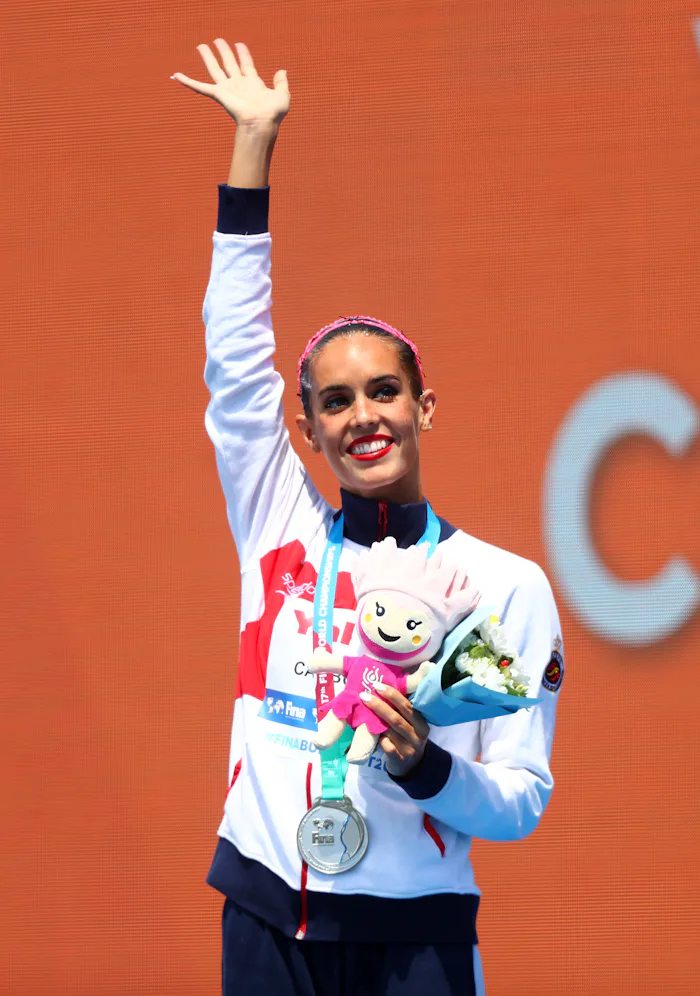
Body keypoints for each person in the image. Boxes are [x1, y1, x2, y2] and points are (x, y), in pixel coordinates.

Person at [172, 38, 564, 996]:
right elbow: (233, 363)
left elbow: (518, 802)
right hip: (266, 914)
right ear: (304, 428)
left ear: (422, 408)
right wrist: (251, 154)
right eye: (336, 403)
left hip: (416, 944)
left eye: (383, 392)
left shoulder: (507, 588)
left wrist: (426, 768)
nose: (363, 418)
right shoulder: (280, 531)